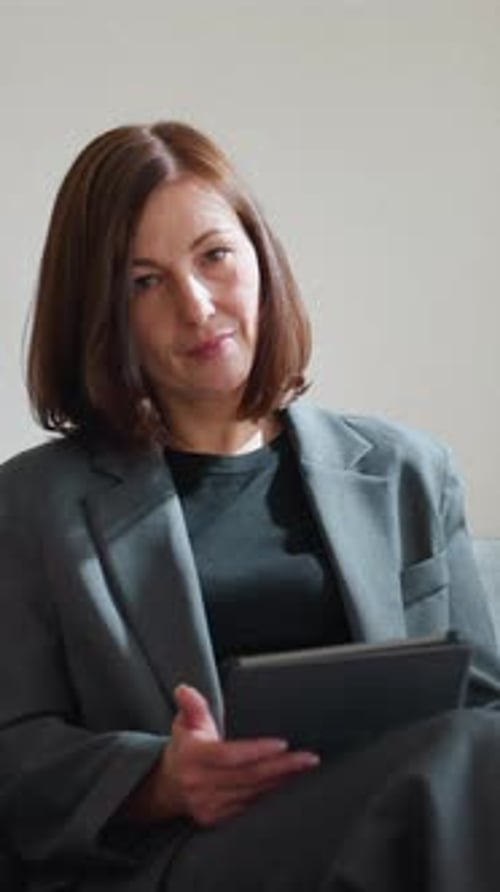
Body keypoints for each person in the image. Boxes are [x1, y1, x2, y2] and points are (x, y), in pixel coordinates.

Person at [1, 120, 500, 892]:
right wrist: (159, 780)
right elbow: (14, 750)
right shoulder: (33, 505)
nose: (197, 306)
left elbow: (483, 705)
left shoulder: (408, 470)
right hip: (185, 857)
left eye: (214, 256)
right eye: (145, 282)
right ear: (100, 311)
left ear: (259, 258)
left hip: (403, 827)